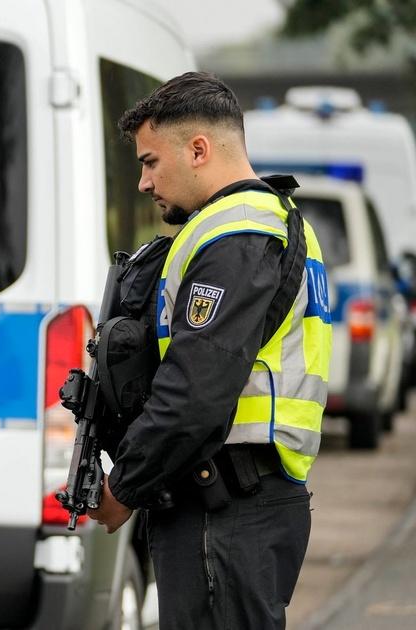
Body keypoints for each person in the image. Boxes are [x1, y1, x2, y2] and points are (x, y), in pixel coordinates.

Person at [85, 72, 332, 629]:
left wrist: (124, 486)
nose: (144, 182)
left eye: (150, 162)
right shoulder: (262, 222)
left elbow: (197, 389)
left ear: (198, 149)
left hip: (226, 506)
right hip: (239, 501)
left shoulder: (236, 234)